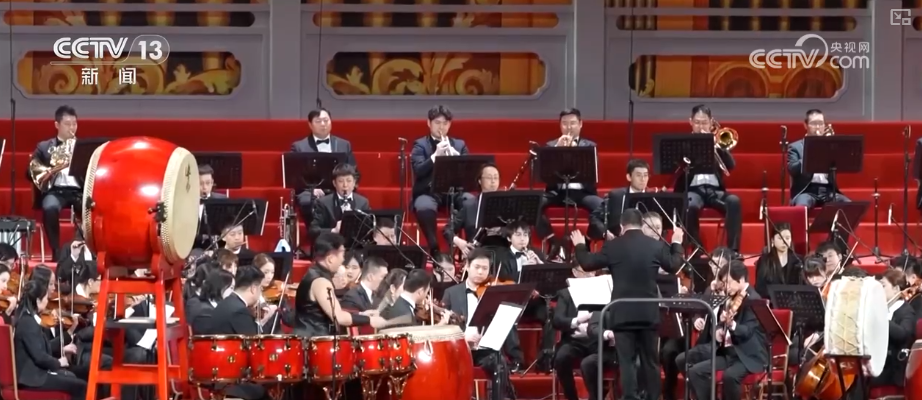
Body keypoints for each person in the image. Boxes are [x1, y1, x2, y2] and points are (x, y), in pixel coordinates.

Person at [570, 208, 684, 400]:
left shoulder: (613, 246)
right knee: (651, 361)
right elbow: (673, 265)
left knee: (627, 362)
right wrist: (677, 242)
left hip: (622, 315)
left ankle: (630, 397)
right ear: (641, 224)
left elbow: (588, 264)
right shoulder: (654, 245)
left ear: (622, 226)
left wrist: (580, 245)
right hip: (648, 313)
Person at [678, 261, 767, 400]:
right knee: (695, 372)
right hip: (729, 353)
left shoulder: (754, 299)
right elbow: (722, 323)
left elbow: (747, 331)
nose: (725, 286)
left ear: (740, 280)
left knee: (730, 376)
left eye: (728, 282)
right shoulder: (731, 297)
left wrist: (732, 325)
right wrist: (720, 328)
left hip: (747, 355)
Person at [441, 248, 516, 400]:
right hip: (460, 348)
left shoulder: (493, 292)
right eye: (477, 267)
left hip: (485, 349)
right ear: (467, 266)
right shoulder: (451, 293)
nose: (480, 272)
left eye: (485, 268)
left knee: (499, 362)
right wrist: (463, 337)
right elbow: (443, 327)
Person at [293, 232, 386, 336]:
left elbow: (331, 311)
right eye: (342, 255)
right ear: (330, 259)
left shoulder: (313, 274)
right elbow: (339, 317)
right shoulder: (320, 282)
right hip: (312, 341)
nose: (343, 260)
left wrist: (361, 314)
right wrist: (369, 320)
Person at [677, 104, 742, 252]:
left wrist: (718, 147)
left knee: (734, 201)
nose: (701, 127)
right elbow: (677, 171)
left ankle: (733, 251)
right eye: (697, 122)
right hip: (693, 189)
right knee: (689, 206)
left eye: (704, 123)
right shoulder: (684, 144)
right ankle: (697, 249)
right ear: (690, 122)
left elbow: (731, 165)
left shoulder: (716, 142)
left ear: (711, 123)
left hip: (714, 190)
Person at [410, 105, 474, 255]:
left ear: (450, 124)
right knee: (424, 205)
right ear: (429, 123)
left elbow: (470, 172)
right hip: (429, 191)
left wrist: (458, 159)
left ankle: (471, 246)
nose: (441, 127)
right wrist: (435, 156)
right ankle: (434, 248)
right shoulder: (420, 145)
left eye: (445, 123)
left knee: (471, 201)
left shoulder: (459, 145)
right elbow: (418, 170)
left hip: (455, 191)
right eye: (437, 123)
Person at [537, 108, 604, 249]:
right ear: (560, 125)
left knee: (604, 207)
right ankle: (553, 241)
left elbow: (593, 175)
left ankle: (587, 242)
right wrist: (557, 149)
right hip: (557, 192)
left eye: (572, 123)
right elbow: (546, 174)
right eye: (565, 123)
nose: (569, 127)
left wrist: (575, 151)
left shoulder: (590, 146)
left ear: (580, 124)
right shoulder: (550, 146)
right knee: (533, 204)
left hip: (582, 193)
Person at [14, 280, 87, 400]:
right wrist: (58, 363)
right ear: (38, 301)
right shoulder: (28, 323)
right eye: (46, 298)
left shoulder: (28, 320)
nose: (48, 302)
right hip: (33, 378)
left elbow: (42, 348)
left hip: (35, 374)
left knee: (73, 378)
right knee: (81, 386)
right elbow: (39, 357)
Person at [206, 265, 269, 400]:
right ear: (253, 288)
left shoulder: (225, 304)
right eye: (261, 289)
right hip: (235, 383)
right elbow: (256, 347)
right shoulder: (240, 311)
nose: (260, 294)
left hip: (221, 376)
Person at [292, 108, 359, 231]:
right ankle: (316, 233)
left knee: (358, 200)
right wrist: (312, 189)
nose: (323, 124)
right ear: (310, 125)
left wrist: (344, 185)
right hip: (311, 190)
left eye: (326, 120)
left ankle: (346, 233)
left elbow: (353, 170)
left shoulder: (344, 144)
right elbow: (296, 176)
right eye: (318, 121)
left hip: (339, 187)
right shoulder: (299, 147)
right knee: (306, 201)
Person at [32, 105, 82, 261]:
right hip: (55, 190)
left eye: (74, 124)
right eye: (67, 124)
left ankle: (83, 247)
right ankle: (56, 250)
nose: (72, 128)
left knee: (92, 209)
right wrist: (49, 170)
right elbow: (31, 171)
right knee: (50, 207)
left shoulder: (82, 146)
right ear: (57, 125)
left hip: (78, 190)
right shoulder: (44, 147)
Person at [787, 109, 851, 208]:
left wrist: (833, 147)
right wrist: (812, 151)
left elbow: (841, 164)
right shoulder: (795, 147)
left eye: (821, 123)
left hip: (828, 190)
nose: (817, 127)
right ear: (805, 125)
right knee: (801, 207)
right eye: (814, 123)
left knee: (850, 206)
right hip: (806, 191)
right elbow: (792, 169)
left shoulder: (830, 146)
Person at [552, 265, 598, 400]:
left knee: (595, 362)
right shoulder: (566, 294)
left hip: (598, 341)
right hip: (574, 341)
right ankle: (571, 397)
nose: (590, 275)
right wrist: (576, 321)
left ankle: (597, 396)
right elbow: (557, 320)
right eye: (585, 271)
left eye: (593, 271)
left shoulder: (603, 290)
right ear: (575, 272)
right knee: (561, 358)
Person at [871, 269, 916, 389]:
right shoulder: (881, 308)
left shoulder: (906, 311)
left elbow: (903, 334)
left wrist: (883, 319)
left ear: (896, 289)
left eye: (883, 286)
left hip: (892, 366)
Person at [444, 163, 501, 257]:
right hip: (476, 255)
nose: (493, 181)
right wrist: (458, 241)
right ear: (480, 181)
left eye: (496, 177)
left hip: (501, 254)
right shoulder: (469, 205)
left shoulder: (506, 204)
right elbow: (447, 229)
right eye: (489, 177)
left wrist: (501, 231)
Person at [589, 159, 652, 240]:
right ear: (629, 177)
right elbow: (595, 217)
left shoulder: (653, 198)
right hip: (618, 240)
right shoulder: (616, 196)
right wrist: (605, 232)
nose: (643, 179)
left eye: (645, 175)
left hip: (646, 242)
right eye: (638, 175)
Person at [308, 164, 371, 241]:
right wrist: (333, 230)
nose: (345, 185)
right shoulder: (323, 203)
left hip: (356, 244)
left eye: (349, 181)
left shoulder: (363, 202)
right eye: (341, 181)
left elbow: (369, 227)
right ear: (334, 183)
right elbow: (313, 230)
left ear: (354, 183)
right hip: (331, 244)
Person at [754, 223, 803, 298]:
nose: (784, 241)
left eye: (787, 238)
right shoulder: (764, 260)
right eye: (780, 238)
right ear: (772, 240)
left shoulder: (798, 260)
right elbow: (760, 288)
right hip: (771, 300)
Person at [186, 269, 234, 334]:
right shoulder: (204, 312)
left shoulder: (223, 307)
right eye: (231, 288)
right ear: (220, 286)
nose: (233, 292)